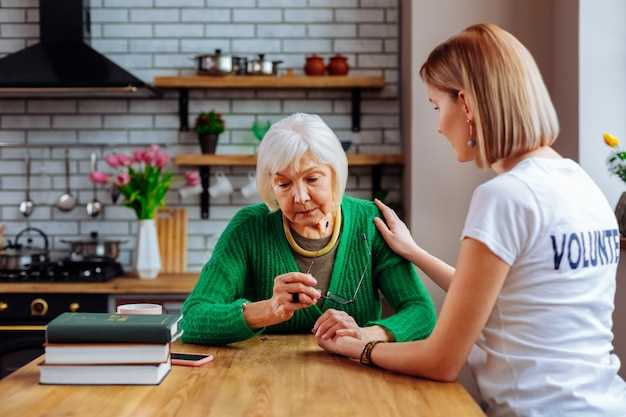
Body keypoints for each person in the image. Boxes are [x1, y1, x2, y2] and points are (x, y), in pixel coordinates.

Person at [316, 23, 626, 416]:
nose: (439, 125)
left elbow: (442, 361)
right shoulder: (581, 184)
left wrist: (361, 348)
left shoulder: (503, 197)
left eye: (436, 106)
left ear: (465, 104)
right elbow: (508, 296)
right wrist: (413, 252)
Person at [181, 113, 436, 346]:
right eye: (284, 184)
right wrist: (268, 310)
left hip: (357, 378)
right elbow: (192, 318)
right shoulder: (249, 226)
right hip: (262, 384)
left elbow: (421, 312)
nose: (300, 197)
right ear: (271, 186)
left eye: (312, 179)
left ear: (335, 174)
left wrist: (366, 334)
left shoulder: (370, 222)